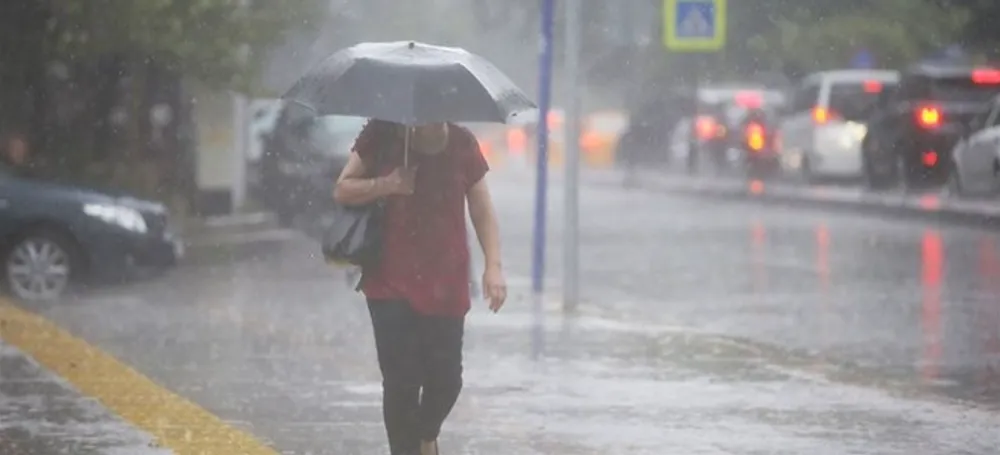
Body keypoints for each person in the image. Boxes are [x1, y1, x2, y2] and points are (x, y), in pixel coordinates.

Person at [333, 119, 507, 455]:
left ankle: (427, 435)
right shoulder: (382, 133)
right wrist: (387, 184)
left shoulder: (462, 143)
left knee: (447, 380)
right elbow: (343, 188)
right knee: (402, 381)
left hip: (447, 279)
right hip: (389, 280)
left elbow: (482, 208)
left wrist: (493, 267)